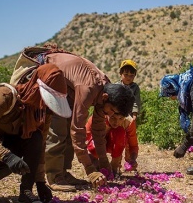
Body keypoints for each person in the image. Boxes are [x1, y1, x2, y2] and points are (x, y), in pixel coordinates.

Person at [0, 63, 70, 203]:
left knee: (35, 137)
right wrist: (7, 156)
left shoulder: (42, 111)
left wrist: (40, 182)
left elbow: (40, 146)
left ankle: (26, 191)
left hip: (9, 140)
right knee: (11, 161)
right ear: (37, 87)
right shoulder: (5, 96)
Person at [43, 52, 135, 191]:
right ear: (105, 98)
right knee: (60, 128)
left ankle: (63, 173)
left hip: (67, 88)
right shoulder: (89, 89)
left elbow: (98, 130)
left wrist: (103, 162)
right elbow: (77, 129)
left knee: (68, 125)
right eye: (111, 110)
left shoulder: (106, 91)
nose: (110, 115)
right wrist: (90, 169)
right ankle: (54, 176)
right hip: (51, 79)